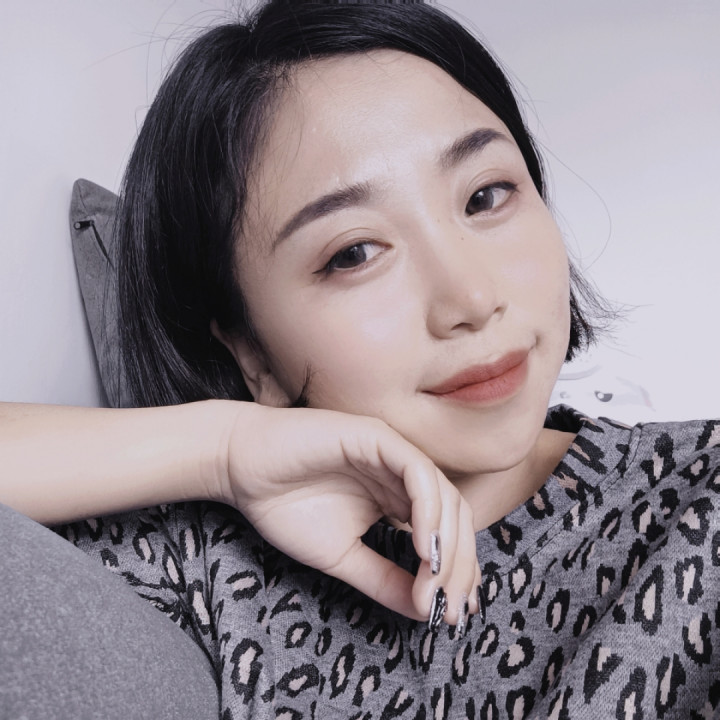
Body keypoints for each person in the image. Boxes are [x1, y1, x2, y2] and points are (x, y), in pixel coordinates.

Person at [1, 1, 718, 718]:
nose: (471, 299)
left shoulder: (698, 504)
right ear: (250, 350)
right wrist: (221, 446)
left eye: (486, 196)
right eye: (354, 253)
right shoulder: (206, 561)